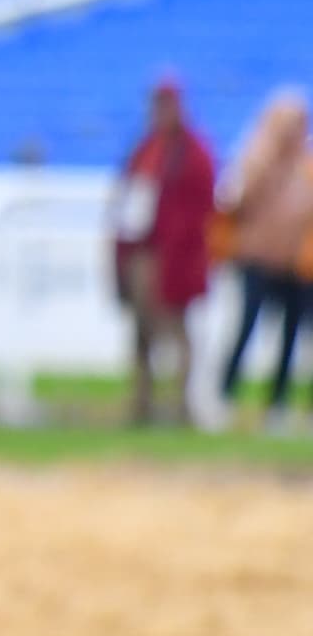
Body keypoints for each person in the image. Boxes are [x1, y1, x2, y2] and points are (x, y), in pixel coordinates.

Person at [114, 75, 218, 427]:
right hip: (143, 254)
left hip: (175, 259)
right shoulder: (145, 149)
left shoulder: (194, 153)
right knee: (142, 333)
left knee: (178, 333)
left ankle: (182, 407)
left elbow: (200, 211)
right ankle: (141, 404)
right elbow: (126, 200)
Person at [217, 88, 313, 422]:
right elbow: (236, 203)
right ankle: (224, 393)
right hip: (257, 260)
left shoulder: (306, 165)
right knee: (246, 326)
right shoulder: (256, 157)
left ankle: (278, 402)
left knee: (291, 334)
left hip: (294, 265)